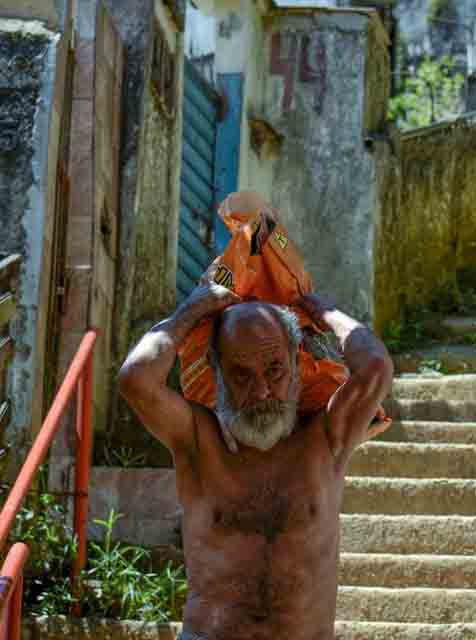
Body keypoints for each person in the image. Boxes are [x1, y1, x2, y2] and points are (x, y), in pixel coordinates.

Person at [117, 267, 393, 640]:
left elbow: (375, 367)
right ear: (217, 373)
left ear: (297, 365)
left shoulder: (326, 439)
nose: (262, 391)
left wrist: (323, 311)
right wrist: (190, 311)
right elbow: (135, 378)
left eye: (275, 369)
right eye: (242, 375)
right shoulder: (198, 441)